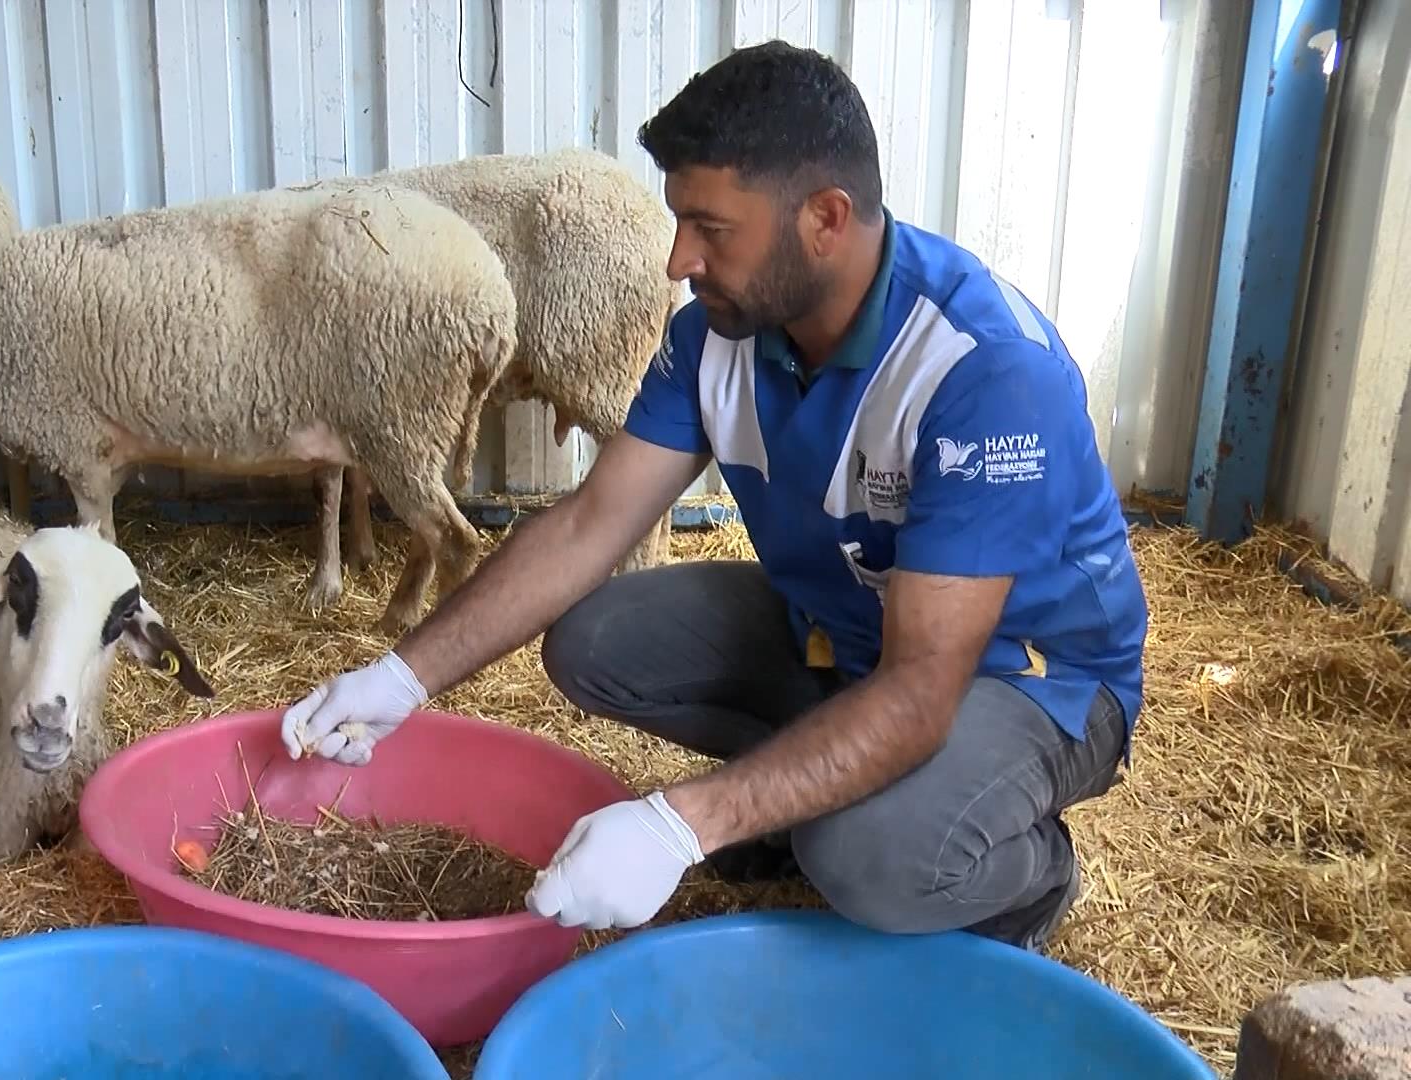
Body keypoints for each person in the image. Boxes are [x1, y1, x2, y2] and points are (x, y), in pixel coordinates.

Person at [277, 39, 1147, 951]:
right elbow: (586, 526)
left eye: (711, 228)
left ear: (826, 218)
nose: (677, 259)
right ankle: (796, 796)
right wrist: (401, 679)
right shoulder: (715, 338)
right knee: (596, 642)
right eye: (679, 223)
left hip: (1030, 678)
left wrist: (681, 822)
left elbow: (924, 689)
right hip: (850, 624)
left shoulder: (982, 371)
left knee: (865, 856)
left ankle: (1026, 877)